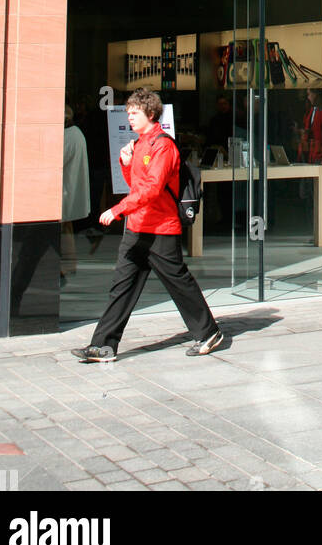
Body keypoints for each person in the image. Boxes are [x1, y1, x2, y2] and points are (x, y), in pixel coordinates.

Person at [71, 88, 222, 362]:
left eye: (134, 112)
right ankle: (103, 345)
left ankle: (208, 332)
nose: (129, 116)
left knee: (178, 282)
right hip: (137, 227)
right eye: (128, 112)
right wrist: (126, 163)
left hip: (160, 228)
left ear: (150, 114)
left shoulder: (163, 146)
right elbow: (137, 185)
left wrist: (118, 209)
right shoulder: (140, 144)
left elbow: (152, 189)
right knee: (122, 286)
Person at [61, 104, 91, 279]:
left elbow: (58, 159)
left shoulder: (69, 136)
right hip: (69, 188)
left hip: (65, 188)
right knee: (66, 228)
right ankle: (69, 263)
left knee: (62, 229)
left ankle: (66, 264)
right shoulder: (76, 133)